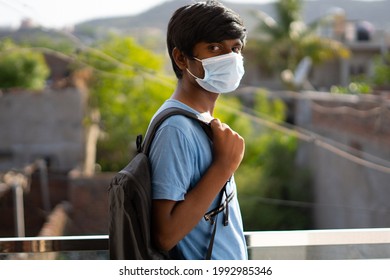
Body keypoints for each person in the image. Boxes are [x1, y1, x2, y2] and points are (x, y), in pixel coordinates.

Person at [149, 0, 248, 260]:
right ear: (181, 58)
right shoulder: (176, 129)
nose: (230, 57)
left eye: (235, 48)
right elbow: (165, 234)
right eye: (214, 47)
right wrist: (224, 166)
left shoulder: (197, 121)